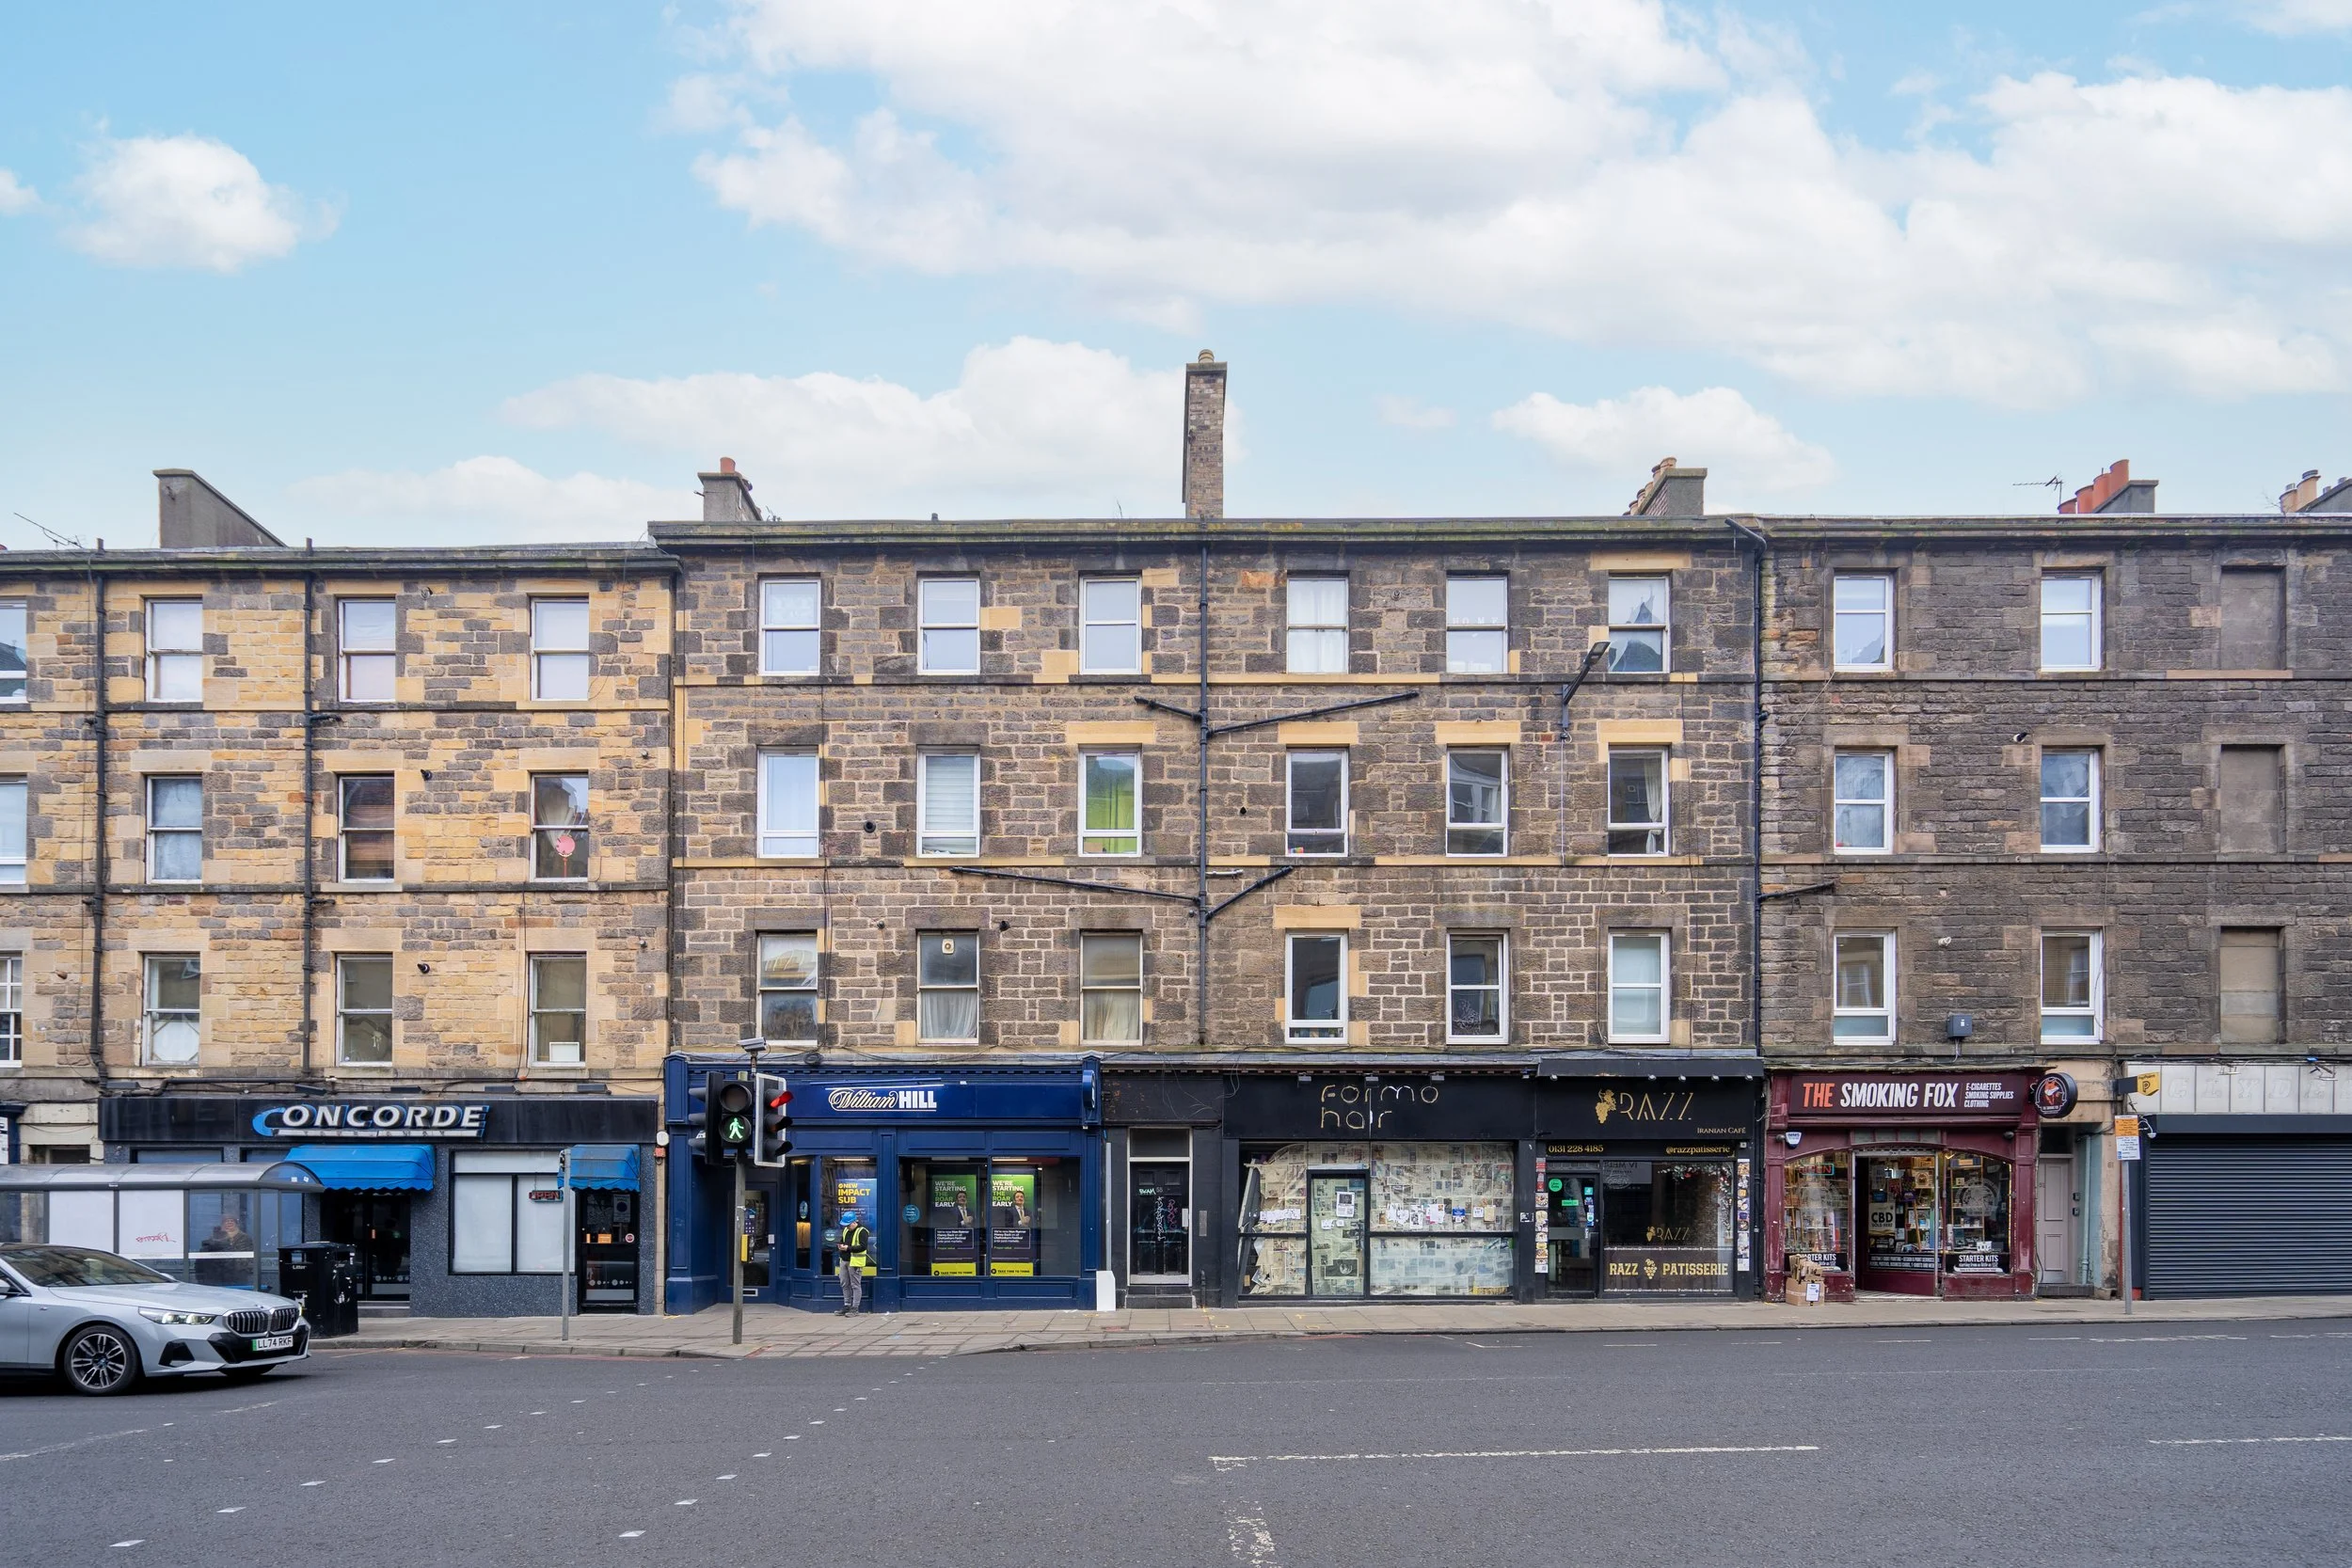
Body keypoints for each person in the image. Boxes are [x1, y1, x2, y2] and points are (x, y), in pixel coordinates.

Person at [196, 1209, 252, 1286]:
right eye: (226, 1221)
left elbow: (243, 1258)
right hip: (214, 1275)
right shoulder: (214, 1237)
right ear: (222, 1224)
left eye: (231, 1221)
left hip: (236, 1274)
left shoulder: (244, 1238)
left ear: (236, 1223)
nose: (229, 1223)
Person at [836, 1211, 872, 1315]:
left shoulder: (862, 1231)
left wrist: (848, 1248)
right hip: (844, 1260)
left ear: (854, 1222)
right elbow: (843, 1241)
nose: (846, 1227)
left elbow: (863, 1247)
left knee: (855, 1285)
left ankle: (855, 1308)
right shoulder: (846, 1230)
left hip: (855, 1262)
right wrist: (841, 1246)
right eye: (845, 1225)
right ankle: (847, 1306)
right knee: (844, 1284)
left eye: (848, 1225)